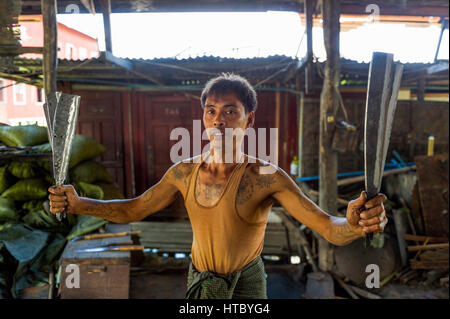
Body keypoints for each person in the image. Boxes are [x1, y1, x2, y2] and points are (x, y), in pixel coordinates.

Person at [48, 73, 388, 299]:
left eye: (230, 111)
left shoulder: (265, 176)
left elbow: (329, 228)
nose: (218, 120)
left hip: (248, 286)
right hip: (201, 283)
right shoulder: (183, 172)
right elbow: (135, 208)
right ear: (203, 118)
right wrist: (79, 204)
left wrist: (357, 225)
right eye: (211, 111)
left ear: (249, 120)